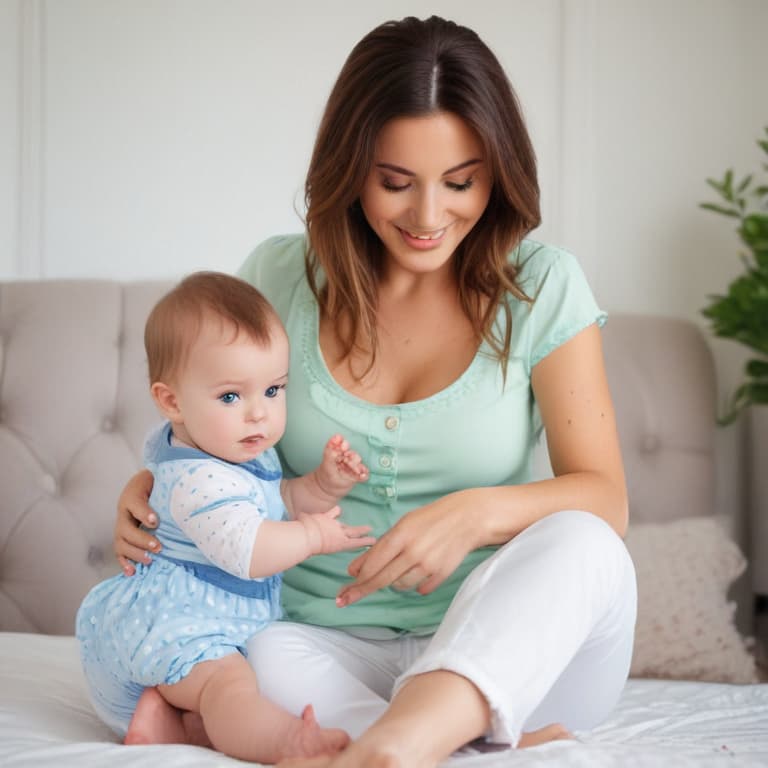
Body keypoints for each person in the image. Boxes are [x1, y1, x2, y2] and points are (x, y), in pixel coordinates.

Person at [113, 15, 637, 768]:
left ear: (499, 170)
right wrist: (148, 486)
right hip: (315, 643)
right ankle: (427, 747)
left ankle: (409, 736)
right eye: (396, 183)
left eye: (461, 182)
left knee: (588, 547)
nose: (429, 217)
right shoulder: (279, 277)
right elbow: (210, 425)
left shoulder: (544, 285)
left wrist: (476, 513)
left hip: (514, 655)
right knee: (245, 653)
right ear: (350, 168)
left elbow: (607, 499)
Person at [77, 272, 376, 763]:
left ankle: (166, 722)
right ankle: (289, 744)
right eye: (232, 397)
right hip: (180, 626)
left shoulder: (219, 450)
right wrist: (311, 536)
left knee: (223, 692)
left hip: (173, 632)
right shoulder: (201, 481)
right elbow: (248, 550)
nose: (259, 414)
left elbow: (272, 502)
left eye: (274, 390)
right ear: (172, 401)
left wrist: (323, 486)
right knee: (229, 685)